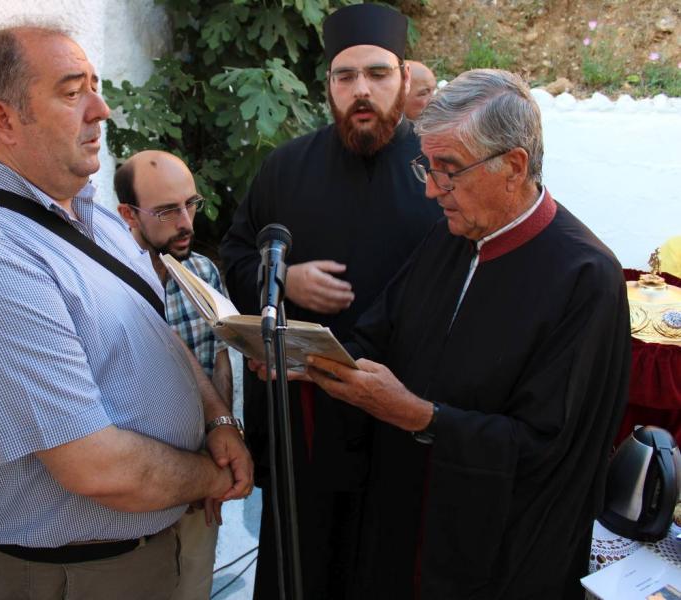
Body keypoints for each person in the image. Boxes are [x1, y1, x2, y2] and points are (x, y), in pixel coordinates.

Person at [0, 23, 252, 600]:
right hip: (84, 573)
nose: (101, 109)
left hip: (147, 540)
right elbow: (96, 467)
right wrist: (212, 476)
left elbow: (157, 334)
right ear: (4, 120)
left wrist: (216, 419)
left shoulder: (92, 216)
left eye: (95, 86)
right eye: (72, 93)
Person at [305, 69, 631, 598]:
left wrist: (419, 415)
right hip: (404, 518)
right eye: (427, 167)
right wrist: (304, 357)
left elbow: (549, 449)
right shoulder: (451, 236)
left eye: (449, 170)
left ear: (514, 166)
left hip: (494, 555)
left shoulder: (586, 278)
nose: (431, 190)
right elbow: (380, 333)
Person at [219, 4, 442, 598]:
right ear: (329, 87)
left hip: (405, 418)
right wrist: (285, 281)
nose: (361, 89)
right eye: (346, 76)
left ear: (404, 77)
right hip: (309, 423)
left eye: (378, 73)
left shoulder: (439, 171)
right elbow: (236, 254)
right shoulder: (285, 168)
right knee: (303, 563)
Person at [115, 150, 234, 599]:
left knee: (195, 586)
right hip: (144, 490)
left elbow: (217, 358)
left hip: (206, 479)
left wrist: (223, 438)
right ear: (128, 214)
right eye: (167, 211)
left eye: (190, 204)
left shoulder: (202, 272)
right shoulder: (112, 287)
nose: (185, 222)